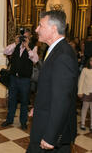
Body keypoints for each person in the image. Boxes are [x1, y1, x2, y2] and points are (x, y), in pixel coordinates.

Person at [27, 10, 79, 152]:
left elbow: (62, 100)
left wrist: (51, 136)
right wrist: (38, 107)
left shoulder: (63, 56)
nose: (37, 29)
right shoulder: (54, 50)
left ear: (53, 29)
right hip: (45, 119)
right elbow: (50, 87)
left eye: (40, 25)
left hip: (53, 132)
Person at [1, 29, 39, 130]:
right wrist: (15, 43)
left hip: (25, 80)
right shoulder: (16, 46)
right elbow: (5, 51)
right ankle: (9, 120)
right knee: (12, 100)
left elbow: (35, 59)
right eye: (23, 37)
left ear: (30, 37)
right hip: (13, 78)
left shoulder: (33, 47)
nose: (24, 39)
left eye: (26, 37)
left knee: (24, 101)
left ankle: (23, 122)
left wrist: (27, 47)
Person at [78, 56, 92, 132]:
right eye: (91, 61)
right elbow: (81, 81)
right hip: (86, 92)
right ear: (89, 62)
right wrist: (80, 91)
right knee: (85, 108)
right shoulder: (85, 70)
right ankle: (82, 123)